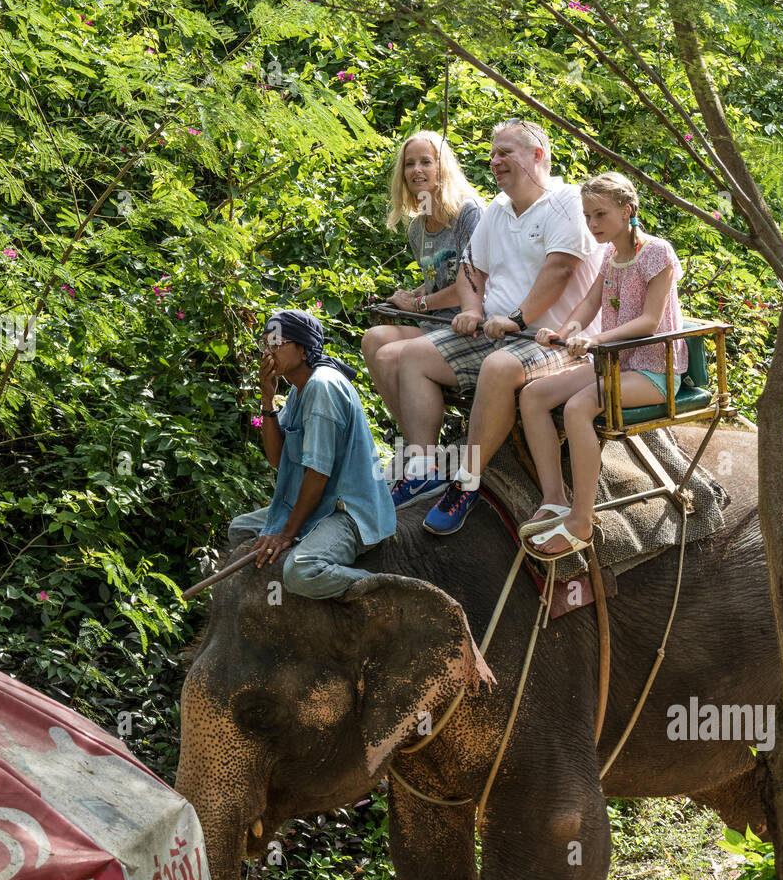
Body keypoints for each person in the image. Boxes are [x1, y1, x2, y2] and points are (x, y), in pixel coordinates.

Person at [390, 118, 604, 534]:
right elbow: (471, 266)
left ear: (538, 156)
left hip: (555, 338)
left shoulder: (566, 203)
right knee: (413, 354)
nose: (495, 161)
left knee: (500, 366)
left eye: (506, 153)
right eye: (493, 153)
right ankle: (423, 467)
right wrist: (470, 307)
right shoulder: (499, 209)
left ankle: (467, 482)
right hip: (499, 332)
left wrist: (518, 318)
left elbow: (559, 271)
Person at [518, 172, 688, 558]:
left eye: (600, 215)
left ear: (627, 211)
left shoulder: (657, 252)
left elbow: (648, 321)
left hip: (652, 370)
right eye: (587, 216)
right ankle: (554, 498)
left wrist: (593, 339)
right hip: (614, 363)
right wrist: (563, 331)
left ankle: (582, 521)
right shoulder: (611, 254)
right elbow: (590, 304)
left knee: (579, 407)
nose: (593, 224)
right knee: (533, 395)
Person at [228, 309, 396, 598]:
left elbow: (318, 475)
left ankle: (382, 586)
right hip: (320, 506)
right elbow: (278, 460)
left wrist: (285, 535)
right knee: (239, 529)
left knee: (302, 572)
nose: (268, 351)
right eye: (265, 344)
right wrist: (267, 398)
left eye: (277, 343)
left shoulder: (322, 386)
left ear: (303, 349)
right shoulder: (297, 389)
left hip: (347, 512)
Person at [362, 130, 484, 425]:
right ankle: (416, 437)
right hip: (437, 325)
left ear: (442, 167)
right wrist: (410, 296)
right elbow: (439, 279)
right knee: (372, 339)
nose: (417, 170)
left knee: (390, 356)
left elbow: (471, 283)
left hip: (467, 325)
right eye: (409, 163)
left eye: (426, 162)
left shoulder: (468, 213)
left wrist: (420, 304)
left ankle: (422, 450)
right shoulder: (417, 229)